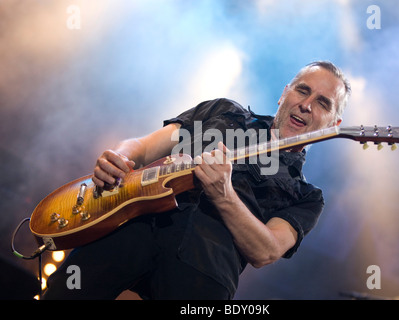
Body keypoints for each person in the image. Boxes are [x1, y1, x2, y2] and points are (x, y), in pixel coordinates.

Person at [43, 61, 351, 300]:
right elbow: (145, 146)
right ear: (285, 92)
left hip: (205, 268)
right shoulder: (224, 111)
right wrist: (119, 157)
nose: (307, 104)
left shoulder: (308, 196)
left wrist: (225, 195)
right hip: (135, 224)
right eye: (302, 90)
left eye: (323, 103)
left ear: (334, 124)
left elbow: (266, 250)